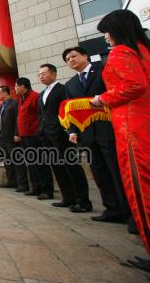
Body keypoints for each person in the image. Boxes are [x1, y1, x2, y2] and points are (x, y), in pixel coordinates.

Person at [90, 9, 150, 271]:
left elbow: (134, 85)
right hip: (141, 123)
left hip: (132, 128)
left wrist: (102, 99)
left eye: (106, 32)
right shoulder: (143, 51)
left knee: (141, 187)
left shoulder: (122, 52)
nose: (105, 38)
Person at [63, 46, 133, 224]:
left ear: (85, 55)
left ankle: (130, 213)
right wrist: (73, 131)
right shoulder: (71, 84)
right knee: (99, 172)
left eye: (73, 56)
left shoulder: (103, 69)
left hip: (110, 129)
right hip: (88, 135)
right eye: (67, 59)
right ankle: (112, 209)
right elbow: (72, 111)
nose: (71, 60)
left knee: (116, 171)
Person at [38, 64, 91, 209]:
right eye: (39, 74)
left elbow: (68, 110)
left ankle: (83, 201)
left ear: (54, 74)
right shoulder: (42, 93)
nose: (41, 76)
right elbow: (41, 115)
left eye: (44, 73)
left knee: (72, 166)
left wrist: (69, 130)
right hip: (47, 136)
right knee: (57, 167)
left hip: (62, 133)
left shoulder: (63, 89)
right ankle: (68, 198)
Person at [14, 77, 53, 198]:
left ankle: (47, 191)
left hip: (34, 136)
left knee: (40, 163)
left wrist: (39, 131)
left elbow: (41, 115)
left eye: (16, 86)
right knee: (31, 164)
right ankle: (36, 188)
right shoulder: (20, 99)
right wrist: (18, 133)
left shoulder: (35, 96)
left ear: (22, 86)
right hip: (24, 136)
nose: (14, 88)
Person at [0, 85, 28, 191]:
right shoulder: (2, 105)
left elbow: (18, 120)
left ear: (5, 93)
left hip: (12, 137)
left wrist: (17, 134)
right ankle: (12, 181)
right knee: (7, 161)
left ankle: (22, 184)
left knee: (17, 160)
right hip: (3, 137)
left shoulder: (13, 104)